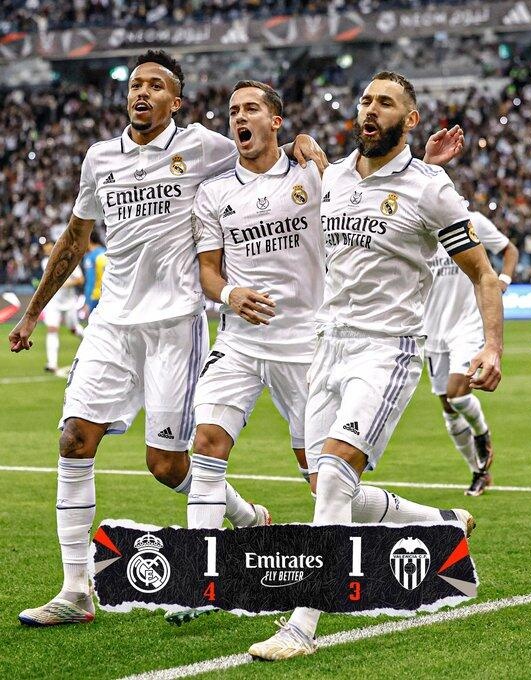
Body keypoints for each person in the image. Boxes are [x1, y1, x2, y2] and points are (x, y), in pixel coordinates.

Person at [8, 50, 325, 627]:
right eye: (137, 84)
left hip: (176, 324)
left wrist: (303, 141)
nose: (143, 92)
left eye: (156, 86)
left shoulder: (204, 146)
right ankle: (76, 590)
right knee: (74, 439)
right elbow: (75, 238)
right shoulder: (99, 158)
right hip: (111, 322)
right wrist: (33, 313)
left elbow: (263, 150)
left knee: (166, 464)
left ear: (175, 102)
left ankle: (246, 518)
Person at [248, 71, 503, 661]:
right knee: (327, 487)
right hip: (327, 348)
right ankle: (440, 523)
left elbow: (484, 275)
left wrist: (491, 347)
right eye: (365, 100)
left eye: (385, 103)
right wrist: (301, 144)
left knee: (336, 477)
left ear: (409, 120)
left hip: (386, 350)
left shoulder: (430, 188)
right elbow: (289, 166)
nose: (370, 110)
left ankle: (301, 627)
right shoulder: (334, 178)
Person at [424, 209, 518, 496]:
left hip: (467, 324)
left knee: (458, 394)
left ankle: (481, 432)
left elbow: (510, 250)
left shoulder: (472, 220)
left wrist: (503, 281)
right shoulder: (421, 221)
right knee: (449, 410)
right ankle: (479, 471)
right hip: (432, 328)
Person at [41, 239, 85, 374]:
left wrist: (65, 283)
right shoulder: (45, 262)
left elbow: (80, 280)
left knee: (74, 329)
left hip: (69, 302)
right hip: (53, 302)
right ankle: (52, 364)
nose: (47, 250)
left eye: (49, 247)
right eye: (45, 248)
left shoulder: (70, 260)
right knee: (52, 329)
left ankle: (93, 342)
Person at [81, 229, 107, 318]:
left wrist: (87, 301)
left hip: (95, 296)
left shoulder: (90, 257)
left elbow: (91, 280)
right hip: (109, 295)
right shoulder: (107, 252)